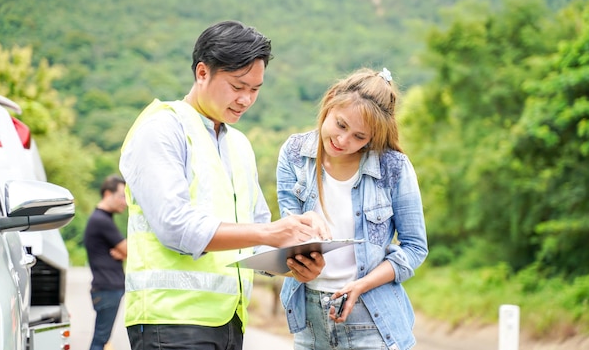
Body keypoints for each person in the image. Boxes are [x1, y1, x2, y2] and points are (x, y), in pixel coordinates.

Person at [119, 20, 328, 350]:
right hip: (171, 323)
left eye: (255, 89)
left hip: (230, 321)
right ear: (202, 73)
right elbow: (175, 227)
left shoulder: (239, 145)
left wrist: (295, 262)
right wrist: (271, 232)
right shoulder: (162, 129)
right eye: (237, 86)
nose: (246, 99)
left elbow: (257, 235)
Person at [276, 67, 429, 350]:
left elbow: (415, 248)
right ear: (331, 101)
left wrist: (361, 285)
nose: (343, 141)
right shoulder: (295, 154)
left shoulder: (392, 166)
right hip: (309, 323)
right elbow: (288, 235)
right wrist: (297, 264)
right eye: (341, 125)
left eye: (360, 137)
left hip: (373, 319)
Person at [84, 174, 128, 350]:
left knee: (102, 339)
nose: (125, 202)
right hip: (108, 288)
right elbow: (130, 250)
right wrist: (123, 252)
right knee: (100, 340)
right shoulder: (101, 220)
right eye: (122, 196)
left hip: (107, 289)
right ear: (108, 194)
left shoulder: (102, 219)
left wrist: (122, 252)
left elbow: (124, 251)